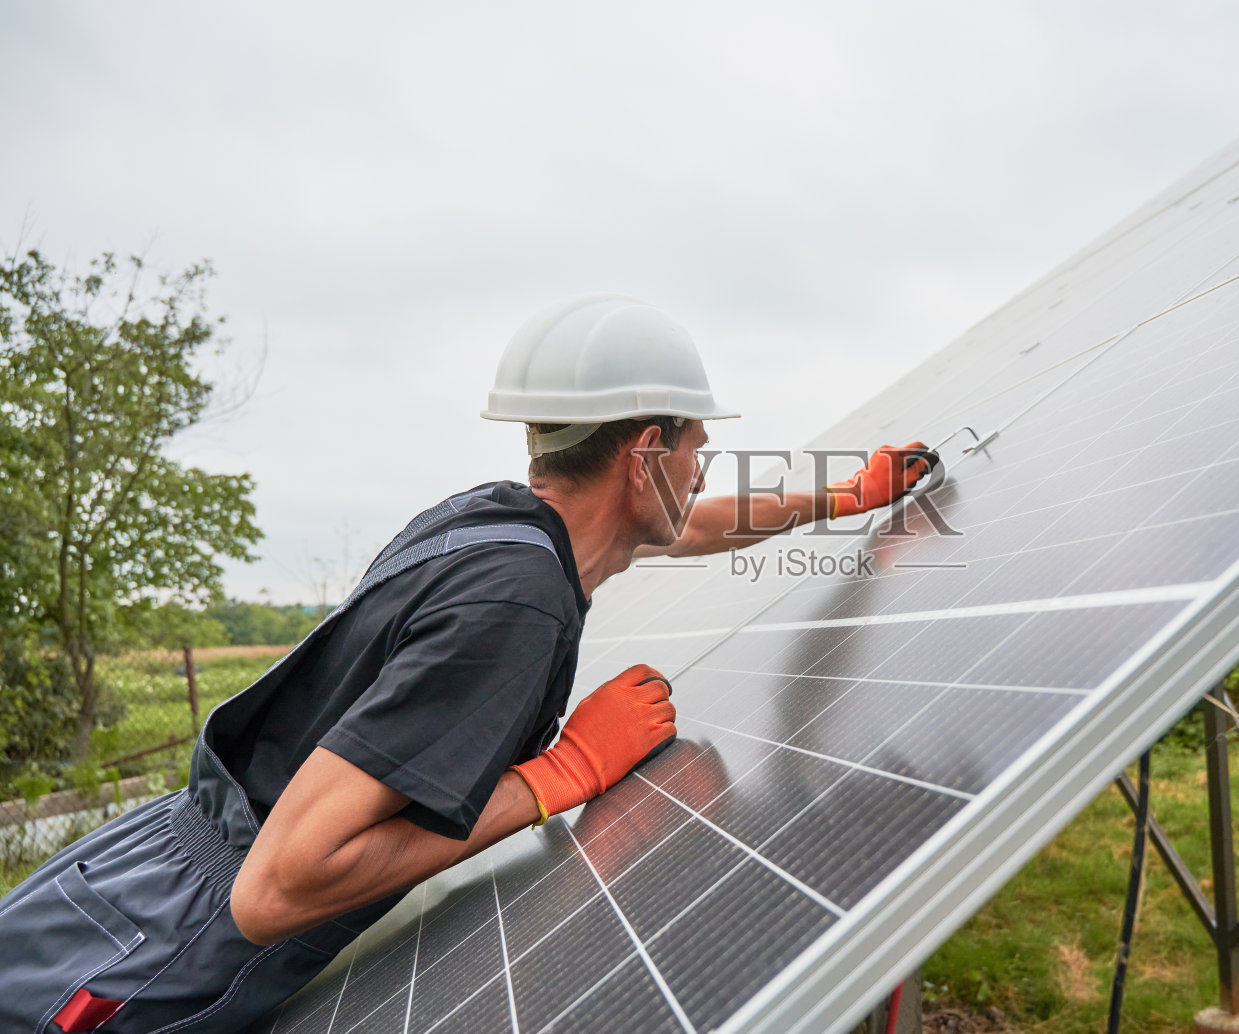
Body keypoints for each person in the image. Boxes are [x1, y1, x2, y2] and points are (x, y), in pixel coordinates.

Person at [0, 294, 937, 1033]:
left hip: (125, 880)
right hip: (149, 959)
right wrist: (560, 776)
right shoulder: (517, 606)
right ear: (644, 451)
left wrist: (841, 497)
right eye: (699, 446)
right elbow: (276, 888)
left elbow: (681, 523)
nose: (704, 468)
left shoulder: (499, 527)